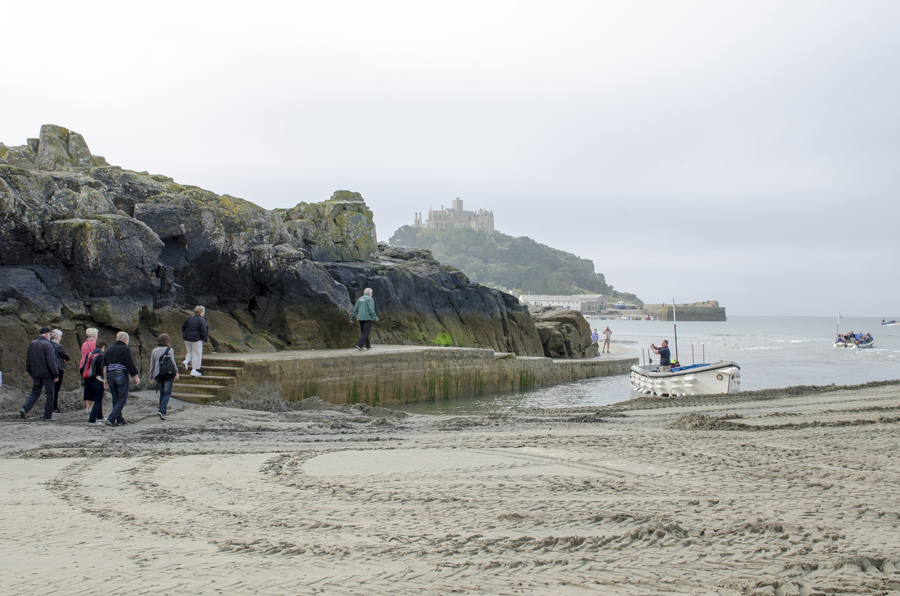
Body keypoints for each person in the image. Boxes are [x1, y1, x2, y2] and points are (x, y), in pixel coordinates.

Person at [20, 327, 60, 421]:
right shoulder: (48, 345)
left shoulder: (32, 344)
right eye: (50, 335)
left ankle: (25, 409)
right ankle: (47, 416)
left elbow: (28, 359)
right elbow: (51, 362)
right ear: (47, 334)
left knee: (35, 392)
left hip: (36, 373)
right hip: (47, 374)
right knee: (50, 394)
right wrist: (56, 374)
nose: (50, 336)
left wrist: (30, 372)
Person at [103, 331, 140, 428]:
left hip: (110, 374)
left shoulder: (109, 349)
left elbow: (104, 364)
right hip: (120, 373)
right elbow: (130, 363)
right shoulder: (125, 349)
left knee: (115, 398)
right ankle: (111, 418)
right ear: (125, 339)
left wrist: (105, 378)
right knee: (122, 398)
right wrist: (135, 377)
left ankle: (119, 419)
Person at [149, 333, 179, 421]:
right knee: (167, 392)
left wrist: (151, 375)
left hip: (158, 374)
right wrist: (176, 372)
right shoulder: (169, 349)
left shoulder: (154, 351)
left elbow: (152, 365)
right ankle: (162, 411)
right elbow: (172, 362)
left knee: (162, 393)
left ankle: (162, 411)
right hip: (168, 373)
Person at [181, 305, 208, 377]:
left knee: (189, 352)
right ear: (201, 312)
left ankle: (186, 361)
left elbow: (183, 327)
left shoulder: (189, 318)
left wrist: (186, 334)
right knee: (197, 354)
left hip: (186, 338)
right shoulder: (202, 320)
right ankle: (194, 370)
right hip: (196, 339)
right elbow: (204, 330)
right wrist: (203, 339)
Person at [86, 339, 107, 425]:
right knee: (98, 400)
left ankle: (100, 416)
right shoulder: (101, 356)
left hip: (89, 379)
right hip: (98, 379)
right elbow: (103, 369)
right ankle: (92, 419)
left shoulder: (90, 354)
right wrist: (105, 379)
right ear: (103, 347)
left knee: (97, 398)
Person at [50, 329, 70, 413]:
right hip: (58, 368)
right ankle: (54, 406)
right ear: (57, 337)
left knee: (51, 388)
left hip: (49, 368)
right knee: (56, 388)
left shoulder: (48, 345)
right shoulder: (58, 346)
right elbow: (67, 356)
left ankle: (51, 406)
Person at [79, 328, 98, 413]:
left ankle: (87, 407)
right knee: (94, 387)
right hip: (92, 368)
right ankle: (92, 406)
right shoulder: (95, 344)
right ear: (94, 335)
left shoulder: (84, 344)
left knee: (86, 387)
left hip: (83, 367)